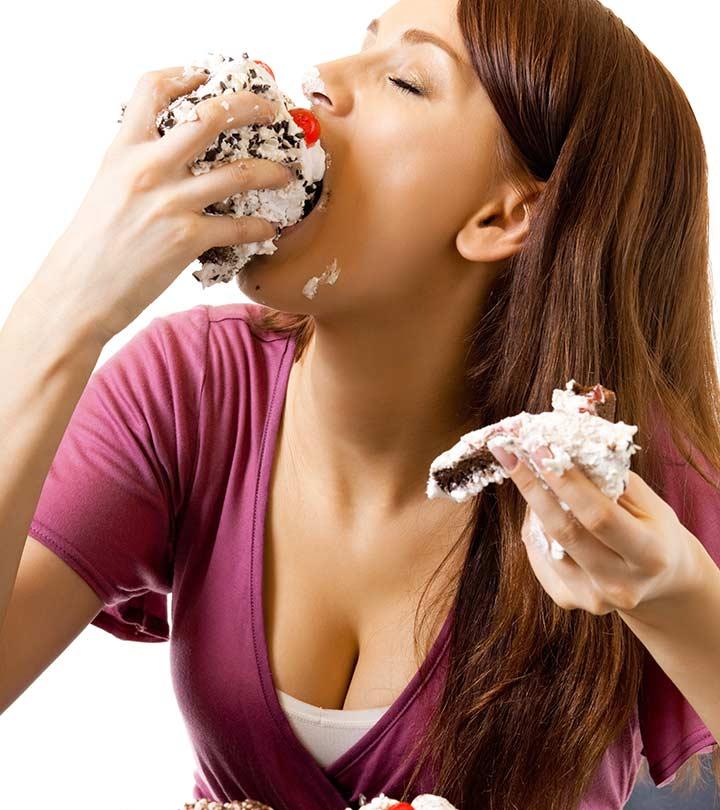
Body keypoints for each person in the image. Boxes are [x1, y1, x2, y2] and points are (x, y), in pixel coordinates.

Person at [1, 0, 719, 808]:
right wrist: (66, 309)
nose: (321, 81)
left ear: (505, 214)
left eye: (405, 81)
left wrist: (678, 594)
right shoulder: (190, 388)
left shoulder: (615, 470)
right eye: (356, 48)